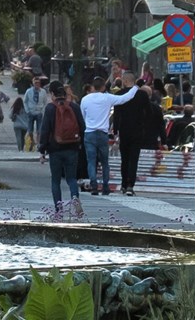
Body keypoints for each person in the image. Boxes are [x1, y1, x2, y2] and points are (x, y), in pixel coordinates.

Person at [78, 73, 141, 195]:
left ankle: (94, 185)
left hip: (89, 133)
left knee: (91, 161)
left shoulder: (85, 99)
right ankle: (105, 186)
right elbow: (125, 98)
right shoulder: (107, 98)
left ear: (93, 87)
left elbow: (83, 116)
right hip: (102, 133)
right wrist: (135, 87)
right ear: (103, 87)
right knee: (104, 161)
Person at [112, 77, 165, 196]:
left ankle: (123, 184)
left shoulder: (119, 94)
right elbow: (149, 112)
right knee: (134, 158)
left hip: (124, 130)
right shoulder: (142, 95)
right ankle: (130, 185)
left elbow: (116, 115)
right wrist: (144, 125)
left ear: (125, 81)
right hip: (137, 130)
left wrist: (115, 131)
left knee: (124, 159)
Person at [41, 80, 85, 217]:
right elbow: (82, 127)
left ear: (52, 93)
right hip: (72, 147)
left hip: (55, 149)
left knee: (55, 180)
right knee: (71, 178)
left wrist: (42, 149)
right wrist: (79, 143)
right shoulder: (74, 107)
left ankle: (58, 210)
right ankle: (75, 197)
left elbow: (45, 130)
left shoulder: (50, 108)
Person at [23, 75, 48, 156]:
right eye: (35, 83)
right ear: (33, 83)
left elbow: (45, 102)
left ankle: (38, 144)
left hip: (39, 112)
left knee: (39, 130)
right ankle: (31, 143)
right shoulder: (28, 91)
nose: (37, 84)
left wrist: (42, 111)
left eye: (38, 83)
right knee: (30, 130)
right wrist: (27, 111)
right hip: (31, 112)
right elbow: (25, 101)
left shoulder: (43, 92)